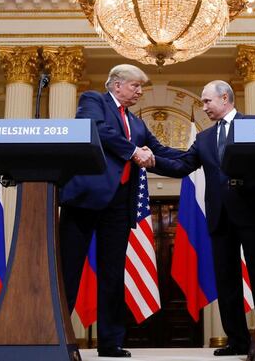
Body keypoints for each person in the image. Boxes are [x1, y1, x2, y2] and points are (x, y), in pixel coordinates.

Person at [59, 64, 182, 358]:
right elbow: (96, 130)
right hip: (84, 199)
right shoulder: (93, 101)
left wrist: (199, 155)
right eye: (136, 86)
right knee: (68, 270)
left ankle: (110, 342)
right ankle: (56, 333)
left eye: (141, 87)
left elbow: (160, 151)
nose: (140, 91)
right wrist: (132, 151)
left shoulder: (137, 124)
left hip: (118, 204)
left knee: (113, 274)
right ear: (117, 85)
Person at [154, 80, 255, 357]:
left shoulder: (254, 124)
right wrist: (151, 161)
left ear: (225, 98)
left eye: (207, 101)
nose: (203, 107)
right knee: (226, 281)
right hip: (219, 217)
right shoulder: (204, 138)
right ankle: (237, 341)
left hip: (252, 213)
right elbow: (183, 165)